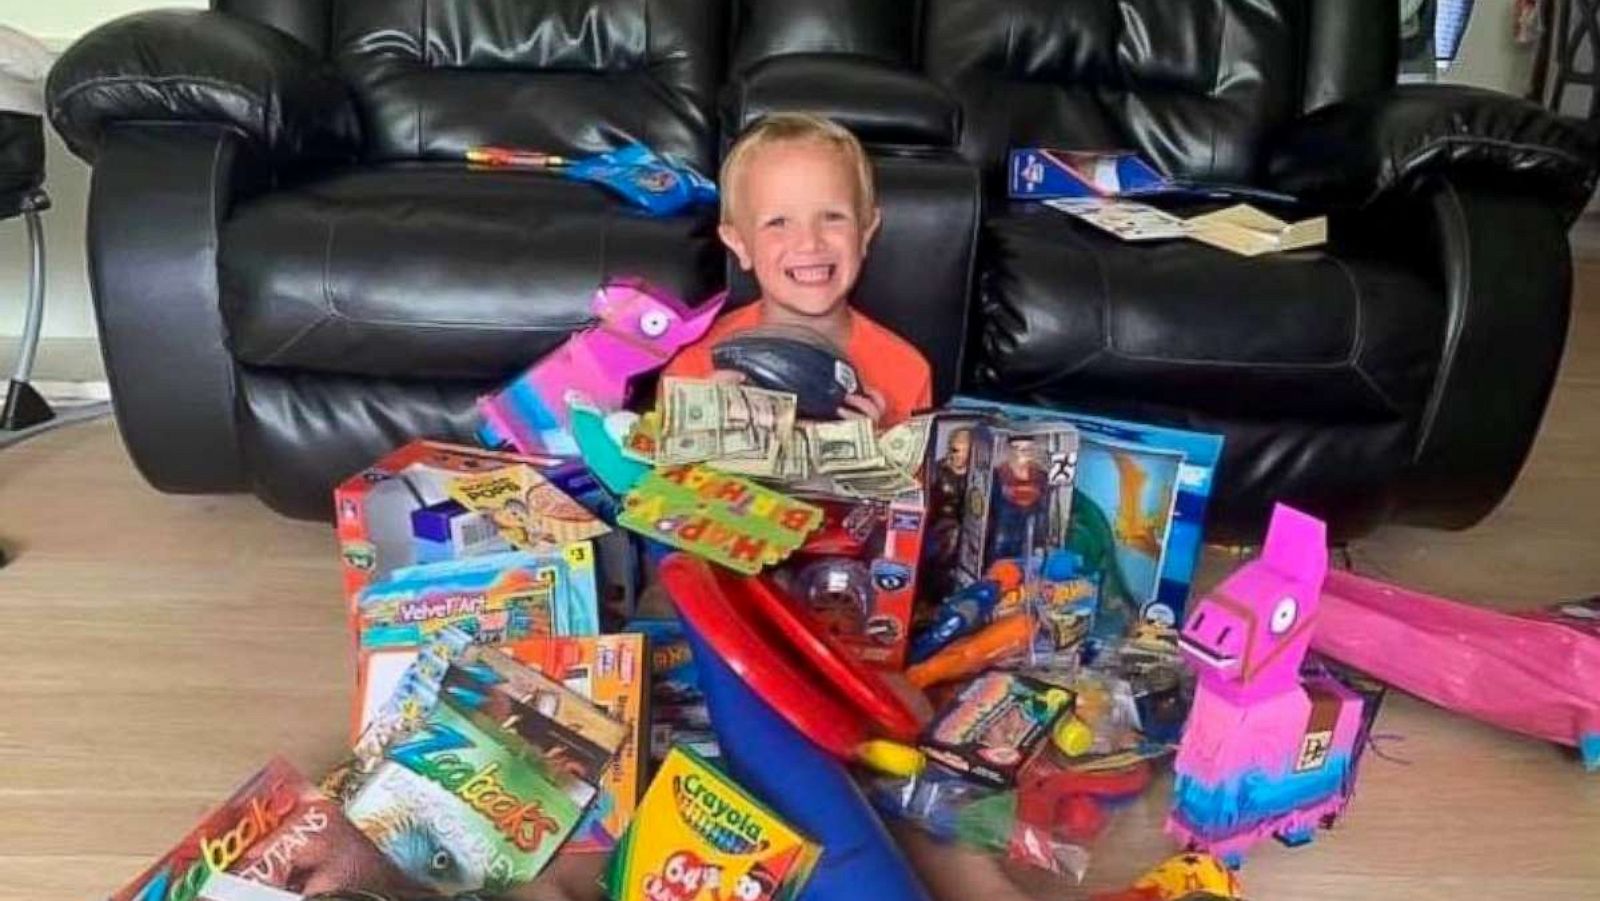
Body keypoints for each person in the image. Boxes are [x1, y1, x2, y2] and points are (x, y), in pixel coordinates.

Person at [661, 113, 932, 427]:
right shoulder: (693, 368)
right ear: (739, 244)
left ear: (865, 232)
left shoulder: (907, 371)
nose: (809, 243)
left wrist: (883, 448)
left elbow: (921, 475)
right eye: (778, 222)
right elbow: (653, 472)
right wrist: (698, 431)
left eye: (832, 217)